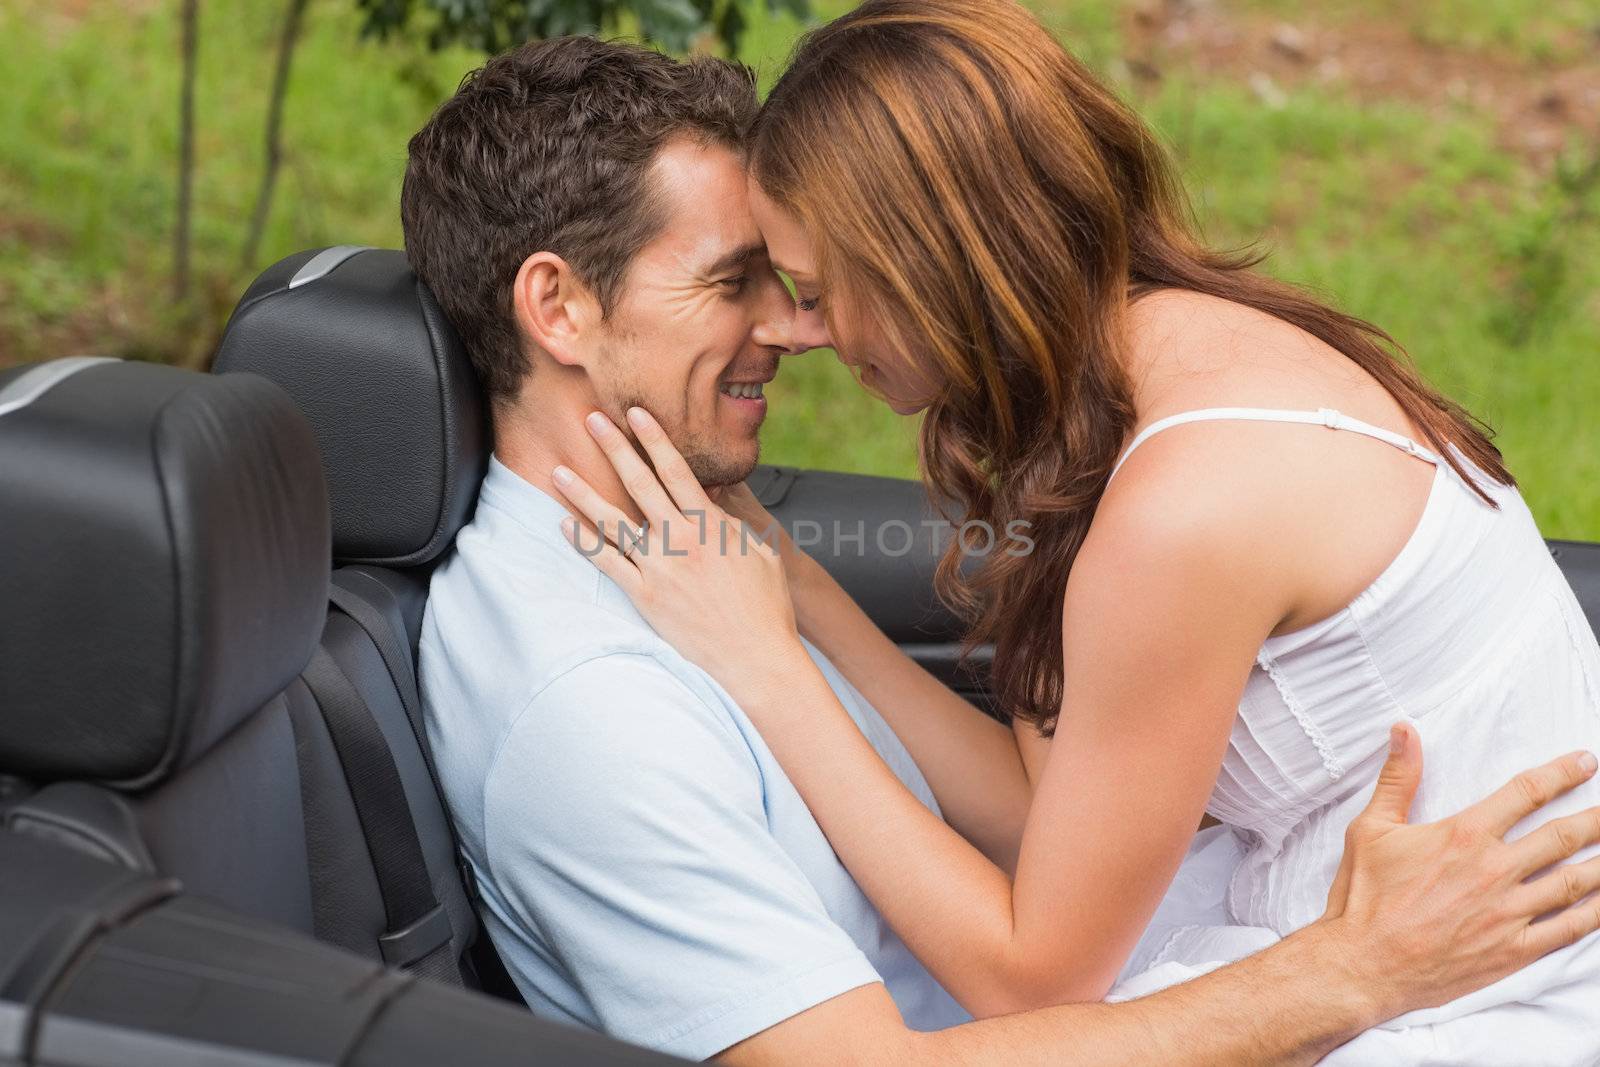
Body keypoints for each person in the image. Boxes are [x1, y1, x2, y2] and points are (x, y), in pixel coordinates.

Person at [403, 32, 1600, 1067]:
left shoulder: (1157, 475)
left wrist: (793, 605)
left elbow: (1043, 858)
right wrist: (1352, 969)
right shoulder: (590, 704)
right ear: (556, 307)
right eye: (738, 281)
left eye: (804, 283)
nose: (793, 330)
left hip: (1461, 966)